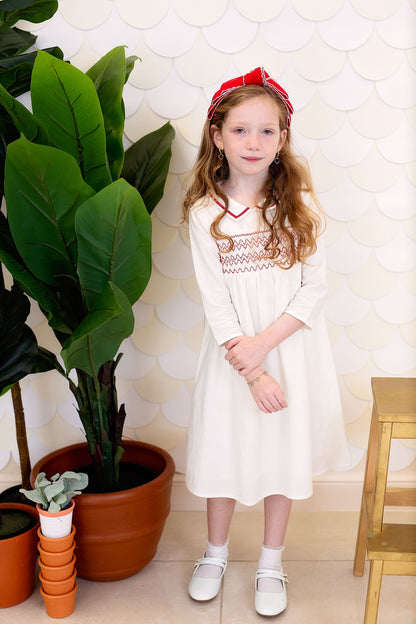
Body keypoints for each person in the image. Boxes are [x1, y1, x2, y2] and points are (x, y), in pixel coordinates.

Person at [182, 67, 350, 617]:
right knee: (225, 445)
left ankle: (271, 560)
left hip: (289, 349)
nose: (252, 142)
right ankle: (215, 552)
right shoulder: (205, 213)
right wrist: (251, 367)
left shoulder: (299, 203)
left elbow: (313, 289)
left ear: (282, 140)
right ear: (217, 136)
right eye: (240, 130)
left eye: (266, 131)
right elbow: (215, 300)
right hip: (233, 356)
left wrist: (266, 350)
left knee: (282, 448)